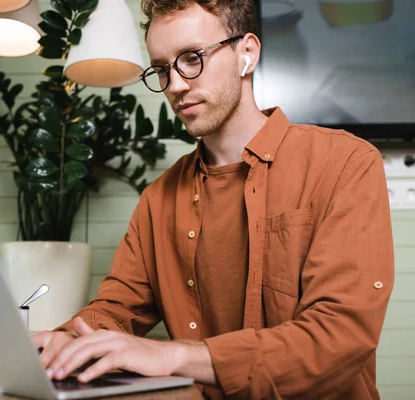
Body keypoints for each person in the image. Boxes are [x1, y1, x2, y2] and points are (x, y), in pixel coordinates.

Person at [32, 1, 394, 398]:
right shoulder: (157, 199)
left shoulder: (345, 163)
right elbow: (117, 310)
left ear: (247, 53)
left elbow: (339, 337)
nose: (175, 84)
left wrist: (176, 357)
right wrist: (65, 340)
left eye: (191, 58)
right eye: (161, 68)